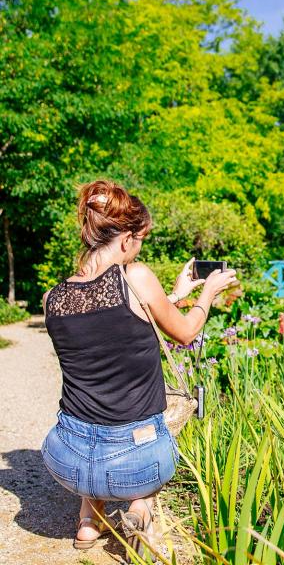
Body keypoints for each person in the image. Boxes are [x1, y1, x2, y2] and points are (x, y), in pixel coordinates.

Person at [40, 180, 237, 559]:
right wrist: (208, 293)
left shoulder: (54, 298)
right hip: (135, 465)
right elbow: (185, 333)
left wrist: (176, 295)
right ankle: (141, 511)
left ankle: (87, 520)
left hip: (64, 459)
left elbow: (110, 328)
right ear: (127, 239)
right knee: (151, 441)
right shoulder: (136, 277)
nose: (139, 249)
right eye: (141, 239)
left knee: (94, 421)